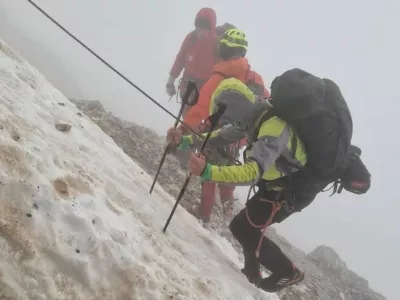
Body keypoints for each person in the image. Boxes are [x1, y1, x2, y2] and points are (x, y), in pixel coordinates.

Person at [166, 69, 370, 293]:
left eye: (225, 116)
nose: (224, 122)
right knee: (247, 225)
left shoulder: (274, 126)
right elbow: (219, 137)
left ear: (234, 108)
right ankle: (251, 274)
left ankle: (288, 272)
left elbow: (252, 172)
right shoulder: (252, 115)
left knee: (243, 227)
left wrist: (207, 171)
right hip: (278, 186)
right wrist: (184, 141)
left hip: (289, 192)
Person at [178, 28, 269, 226]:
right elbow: (266, 106)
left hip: (217, 130)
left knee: (208, 170)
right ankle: (228, 204)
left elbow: (201, 108)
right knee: (227, 165)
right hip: (241, 135)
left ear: (224, 49)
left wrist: (182, 130)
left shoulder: (220, 76)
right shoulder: (255, 78)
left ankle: (204, 212)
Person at [166, 7, 218, 117]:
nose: (201, 31)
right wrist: (170, 82)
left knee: (201, 119)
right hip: (187, 85)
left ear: (211, 28)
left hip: (207, 88)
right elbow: (180, 59)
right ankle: (185, 133)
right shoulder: (191, 39)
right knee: (187, 118)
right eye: (199, 27)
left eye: (205, 28)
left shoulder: (217, 44)